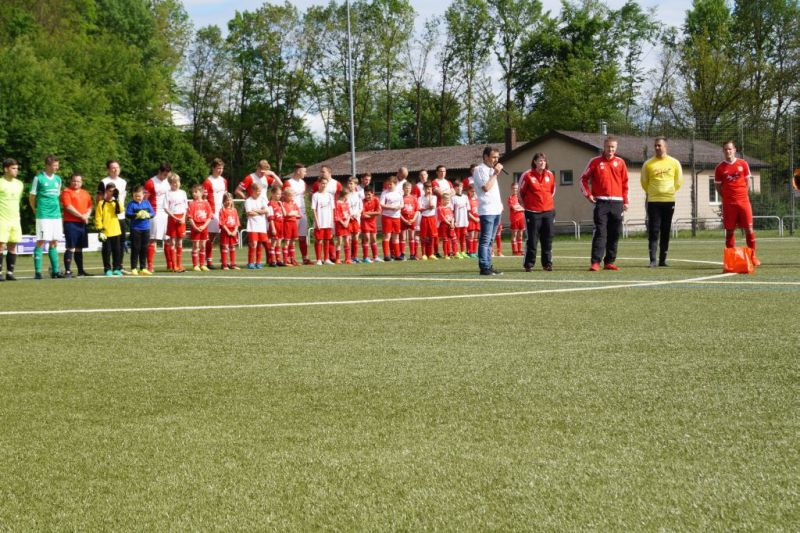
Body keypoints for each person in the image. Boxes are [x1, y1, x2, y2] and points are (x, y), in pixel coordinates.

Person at [580, 136, 629, 271]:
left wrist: (625, 201)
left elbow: (625, 183)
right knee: (600, 232)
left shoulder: (620, 162)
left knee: (615, 233)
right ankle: (595, 262)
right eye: (608, 147)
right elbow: (583, 179)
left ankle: (609, 261)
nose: (610, 149)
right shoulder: (595, 162)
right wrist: (588, 195)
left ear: (616, 148)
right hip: (601, 202)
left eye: (613, 147)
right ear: (604, 146)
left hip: (617, 203)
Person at [715, 140, 760, 265]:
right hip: (729, 204)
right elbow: (718, 186)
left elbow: (747, 181)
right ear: (723, 151)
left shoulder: (743, 164)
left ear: (734, 150)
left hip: (743, 202)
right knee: (729, 230)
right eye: (725, 149)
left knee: (749, 229)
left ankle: (752, 257)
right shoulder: (719, 168)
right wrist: (726, 197)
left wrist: (743, 194)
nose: (728, 151)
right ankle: (730, 259)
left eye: (730, 149)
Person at [641, 137, 683, 267]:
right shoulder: (648, 164)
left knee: (665, 230)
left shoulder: (674, 163)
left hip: (669, 201)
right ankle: (652, 260)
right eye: (655, 146)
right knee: (654, 230)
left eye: (659, 145)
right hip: (653, 201)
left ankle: (662, 260)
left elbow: (679, 181)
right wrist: (653, 192)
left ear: (665, 147)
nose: (657, 148)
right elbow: (644, 181)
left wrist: (669, 191)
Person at [519, 152, 556, 272]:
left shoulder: (550, 175)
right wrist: (527, 205)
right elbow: (521, 193)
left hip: (548, 211)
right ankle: (529, 264)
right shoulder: (527, 175)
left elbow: (552, 191)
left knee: (548, 239)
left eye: (544, 160)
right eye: (540, 160)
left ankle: (547, 263)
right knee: (532, 239)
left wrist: (546, 203)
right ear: (534, 162)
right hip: (532, 212)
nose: (542, 163)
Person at [29, 155, 64, 279]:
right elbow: (32, 196)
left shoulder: (58, 179)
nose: (56, 168)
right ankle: (38, 272)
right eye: (54, 166)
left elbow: (57, 195)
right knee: (41, 241)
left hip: (56, 215)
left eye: (57, 165)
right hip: (43, 215)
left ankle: (55, 271)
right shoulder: (38, 178)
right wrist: (35, 209)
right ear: (47, 166)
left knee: (54, 241)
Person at [473, 147, 504, 275]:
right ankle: (484, 266)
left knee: (491, 239)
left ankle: (488, 265)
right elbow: (486, 187)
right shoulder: (479, 169)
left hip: (496, 209)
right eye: (493, 157)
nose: (496, 159)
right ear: (485, 157)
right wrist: (495, 174)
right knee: (485, 239)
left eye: (497, 157)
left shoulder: (492, 170)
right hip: (487, 210)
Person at [97, 160, 128, 271]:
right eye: (113, 168)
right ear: (108, 169)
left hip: (120, 216)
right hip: (108, 218)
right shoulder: (104, 181)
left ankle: (119, 266)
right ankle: (107, 267)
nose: (115, 170)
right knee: (107, 245)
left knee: (120, 244)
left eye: (117, 167)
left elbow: (123, 198)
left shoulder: (123, 182)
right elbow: (99, 199)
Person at [60, 174, 93, 278]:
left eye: (78, 181)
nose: (76, 183)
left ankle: (81, 271)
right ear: (70, 181)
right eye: (74, 181)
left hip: (82, 223)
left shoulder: (85, 193)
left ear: (81, 182)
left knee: (79, 248)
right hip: (71, 222)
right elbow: (68, 207)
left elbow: (90, 206)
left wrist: (87, 215)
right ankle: (68, 271)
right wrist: (81, 216)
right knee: (70, 247)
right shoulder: (66, 192)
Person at [144, 162, 173, 272]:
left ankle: (170, 265)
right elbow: (145, 200)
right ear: (159, 171)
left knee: (168, 239)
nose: (165, 176)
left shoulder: (169, 182)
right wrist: (147, 213)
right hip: (155, 213)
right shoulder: (150, 183)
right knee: (152, 239)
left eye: (167, 174)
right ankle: (150, 265)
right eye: (164, 174)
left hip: (167, 213)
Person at [0, 158, 23, 281]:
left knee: (13, 245)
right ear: (6, 169)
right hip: (2, 219)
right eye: (13, 168)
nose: (16, 170)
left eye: (17, 168)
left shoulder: (19, 184)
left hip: (15, 220)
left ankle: (10, 273)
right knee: (0, 245)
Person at [202, 158, 228, 270]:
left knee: (224, 237)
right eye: (218, 168)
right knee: (211, 237)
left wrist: (227, 210)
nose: (220, 170)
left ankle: (224, 261)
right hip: (212, 212)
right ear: (213, 168)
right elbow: (204, 198)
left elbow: (226, 197)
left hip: (223, 212)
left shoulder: (224, 181)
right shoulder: (208, 181)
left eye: (222, 168)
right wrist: (209, 212)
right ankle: (209, 261)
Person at [283, 163, 311, 264]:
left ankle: (305, 258)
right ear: (298, 171)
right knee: (291, 238)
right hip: (292, 213)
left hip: (302, 211)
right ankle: (289, 259)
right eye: (304, 171)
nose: (305, 173)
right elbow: (284, 198)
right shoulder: (288, 183)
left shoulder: (303, 183)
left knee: (303, 236)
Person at [125, 185, 154, 275]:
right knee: (135, 248)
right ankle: (133, 268)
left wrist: (148, 215)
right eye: (135, 196)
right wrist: (137, 215)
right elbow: (128, 214)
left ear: (143, 194)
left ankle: (143, 268)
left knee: (144, 249)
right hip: (135, 229)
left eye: (139, 196)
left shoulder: (147, 203)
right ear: (133, 195)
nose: (137, 197)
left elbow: (153, 213)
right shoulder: (131, 204)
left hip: (146, 229)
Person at [95, 183, 123, 276]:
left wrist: (117, 199)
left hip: (116, 231)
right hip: (106, 232)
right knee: (106, 251)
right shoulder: (101, 203)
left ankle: (117, 268)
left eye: (113, 191)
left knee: (117, 251)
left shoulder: (115, 203)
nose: (112, 193)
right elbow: (98, 217)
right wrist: (100, 229)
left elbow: (121, 210)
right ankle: (107, 269)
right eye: (110, 191)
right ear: (106, 191)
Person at [164, 172, 188, 273]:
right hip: (172, 218)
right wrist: (174, 217)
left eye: (178, 181)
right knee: (173, 242)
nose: (176, 184)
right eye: (174, 182)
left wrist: (183, 217)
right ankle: (174, 266)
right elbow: (165, 208)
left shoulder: (183, 192)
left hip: (181, 218)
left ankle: (179, 264)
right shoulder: (168, 193)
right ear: (170, 183)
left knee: (180, 242)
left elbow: (186, 207)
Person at [187, 184, 212, 271]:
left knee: (203, 245)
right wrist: (195, 227)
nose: (193, 194)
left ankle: (202, 264)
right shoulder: (191, 204)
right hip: (195, 226)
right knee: (196, 246)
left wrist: (204, 226)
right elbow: (190, 217)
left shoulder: (206, 203)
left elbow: (209, 217)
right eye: (193, 192)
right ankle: (195, 265)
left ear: (201, 193)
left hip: (204, 227)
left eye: (196, 192)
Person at [245, 182, 270, 269]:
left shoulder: (262, 199)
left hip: (261, 226)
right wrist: (260, 211)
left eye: (260, 191)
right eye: (258, 191)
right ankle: (250, 262)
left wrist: (256, 210)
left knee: (260, 244)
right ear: (253, 190)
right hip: (252, 226)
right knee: (253, 244)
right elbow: (249, 213)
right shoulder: (248, 201)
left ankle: (258, 263)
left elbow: (266, 211)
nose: (259, 193)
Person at [311, 175, 335, 265]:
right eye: (322, 183)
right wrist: (317, 222)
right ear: (319, 184)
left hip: (328, 222)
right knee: (319, 240)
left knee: (327, 240)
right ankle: (318, 260)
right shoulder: (315, 195)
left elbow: (332, 209)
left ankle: (326, 259)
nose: (324, 185)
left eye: (325, 183)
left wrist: (332, 222)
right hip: (319, 222)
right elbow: (314, 209)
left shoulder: (330, 196)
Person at [379, 176, 402, 261]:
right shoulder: (384, 193)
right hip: (387, 217)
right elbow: (381, 204)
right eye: (388, 184)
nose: (388, 186)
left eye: (390, 184)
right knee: (387, 236)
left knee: (396, 236)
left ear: (395, 184)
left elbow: (402, 204)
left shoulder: (399, 192)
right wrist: (391, 207)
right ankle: (386, 255)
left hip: (396, 217)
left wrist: (399, 207)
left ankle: (397, 255)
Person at [218, 193, 241, 270]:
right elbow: (222, 222)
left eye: (230, 200)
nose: (228, 201)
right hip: (225, 231)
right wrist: (227, 231)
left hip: (233, 231)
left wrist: (235, 230)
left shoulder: (234, 210)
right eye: (227, 200)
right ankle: (224, 264)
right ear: (223, 201)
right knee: (225, 247)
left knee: (232, 247)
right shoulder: (222, 210)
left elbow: (237, 222)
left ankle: (232, 264)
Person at [418, 181, 438, 260]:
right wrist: (427, 208)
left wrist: (429, 197)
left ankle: (431, 254)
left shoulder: (434, 197)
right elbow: (420, 209)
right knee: (424, 236)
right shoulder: (420, 198)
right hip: (424, 218)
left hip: (432, 218)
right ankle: (424, 254)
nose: (428, 190)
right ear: (423, 189)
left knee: (432, 236)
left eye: (429, 188)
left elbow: (432, 206)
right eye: (426, 189)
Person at [400, 181, 419, 260]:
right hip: (403, 219)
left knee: (411, 237)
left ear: (411, 189)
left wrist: (413, 219)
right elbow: (398, 211)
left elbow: (417, 210)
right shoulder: (401, 198)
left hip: (412, 219)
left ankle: (412, 254)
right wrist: (404, 220)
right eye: (406, 188)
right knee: (403, 237)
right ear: (403, 189)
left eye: (409, 188)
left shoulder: (414, 198)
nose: (408, 190)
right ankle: (402, 254)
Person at [345, 177, 363, 263]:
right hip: (348, 219)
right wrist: (349, 215)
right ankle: (348, 257)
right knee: (348, 237)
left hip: (356, 218)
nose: (349, 185)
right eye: (349, 183)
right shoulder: (346, 195)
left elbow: (361, 207)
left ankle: (354, 256)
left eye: (351, 183)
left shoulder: (358, 195)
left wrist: (357, 213)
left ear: (356, 185)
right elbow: (344, 207)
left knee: (355, 237)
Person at [281, 188, 300, 266]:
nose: (292, 197)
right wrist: (292, 213)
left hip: (294, 223)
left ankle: (292, 259)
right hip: (287, 224)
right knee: (287, 242)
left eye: (292, 196)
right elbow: (286, 214)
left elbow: (298, 213)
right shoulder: (283, 204)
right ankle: (285, 260)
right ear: (285, 196)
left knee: (293, 241)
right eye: (290, 196)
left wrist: (292, 213)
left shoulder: (294, 203)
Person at [361, 188, 380, 263]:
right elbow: (362, 213)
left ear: (373, 193)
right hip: (365, 222)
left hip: (373, 222)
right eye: (365, 194)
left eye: (369, 194)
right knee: (367, 238)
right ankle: (365, 257)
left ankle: (375, 257)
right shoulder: (362, 201)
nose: (367, 196)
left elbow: (378, 212)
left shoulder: (376, 200)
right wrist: (373, 213)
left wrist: (367, 213)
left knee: (374, 239)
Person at [267, 186, 285, 267]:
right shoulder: (270, 204)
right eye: (278, 194)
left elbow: (284, 214)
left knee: (279, 243)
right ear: (272, 194)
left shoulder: (279, 203)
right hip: (275, 225)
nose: (279, 196)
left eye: (280, 194)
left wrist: (281, 205)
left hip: (281, 225)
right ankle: (272, 261)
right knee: (273, 243)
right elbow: (270, 217)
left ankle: (278, 260)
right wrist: (273, 228)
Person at [333, 190, 352, 264]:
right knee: (339, 241)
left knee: (347, 241)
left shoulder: (346, 203)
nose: (348, 197)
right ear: (344, 195)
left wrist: (347, 221)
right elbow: (336, 215)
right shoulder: (337, 203)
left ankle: (347, 259)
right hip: (340, 224)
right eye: (348, 195)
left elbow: (349, 213)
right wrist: (343, 223)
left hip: (346, 224)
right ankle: (337, 259)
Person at [452, 181, 469, 258]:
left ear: (462, 188)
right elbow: (451, 210)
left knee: (463, 237)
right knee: (456, 238)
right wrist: (453, 221)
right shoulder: (453, 198)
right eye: (457, 187)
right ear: (454, 188)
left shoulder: (465, 197)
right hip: (457, 221)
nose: (459, 188)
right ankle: (456, 252)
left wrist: (467, 220)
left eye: (460, 186)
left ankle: (462, 252)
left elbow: (468, 209)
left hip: (464, 221)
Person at [507, 182, 525, 256]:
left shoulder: (520, 198)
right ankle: (514, 251)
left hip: (521, 218)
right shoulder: (510, 198)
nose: (515, 190)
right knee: (514, 234)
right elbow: (514, 208)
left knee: (520, 235)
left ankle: (520, 250)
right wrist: (521, 208)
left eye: (516, 188)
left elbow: (524, 207)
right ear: (511, 189)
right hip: (514, 219)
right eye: (514, 188)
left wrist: (520, 208)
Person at [437, 192, 457, 259]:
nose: (447, 201)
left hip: (451, 225)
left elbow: (452, 216)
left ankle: (454, 253)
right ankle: (446, 254)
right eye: (446, 199)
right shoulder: (440, 208)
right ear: (442, 200)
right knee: (445, 240)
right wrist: (449, 223)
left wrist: (453, 223)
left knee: (454, 239)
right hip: (444, 225)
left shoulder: (449, 207)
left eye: (448, 199)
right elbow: (442, 218)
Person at [466, 185, 480, 257]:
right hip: (471, 220)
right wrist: (474, 218)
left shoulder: (477, 200)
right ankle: (470, 251)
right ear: (469, 191)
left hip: (477, 220)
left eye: (475, 191)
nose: (474, 193)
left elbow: (480, 210)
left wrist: (479, 218)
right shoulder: (468, 200)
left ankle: (474, 251)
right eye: (472, 191)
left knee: (476, 237)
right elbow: (467, 212)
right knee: (471, 235)